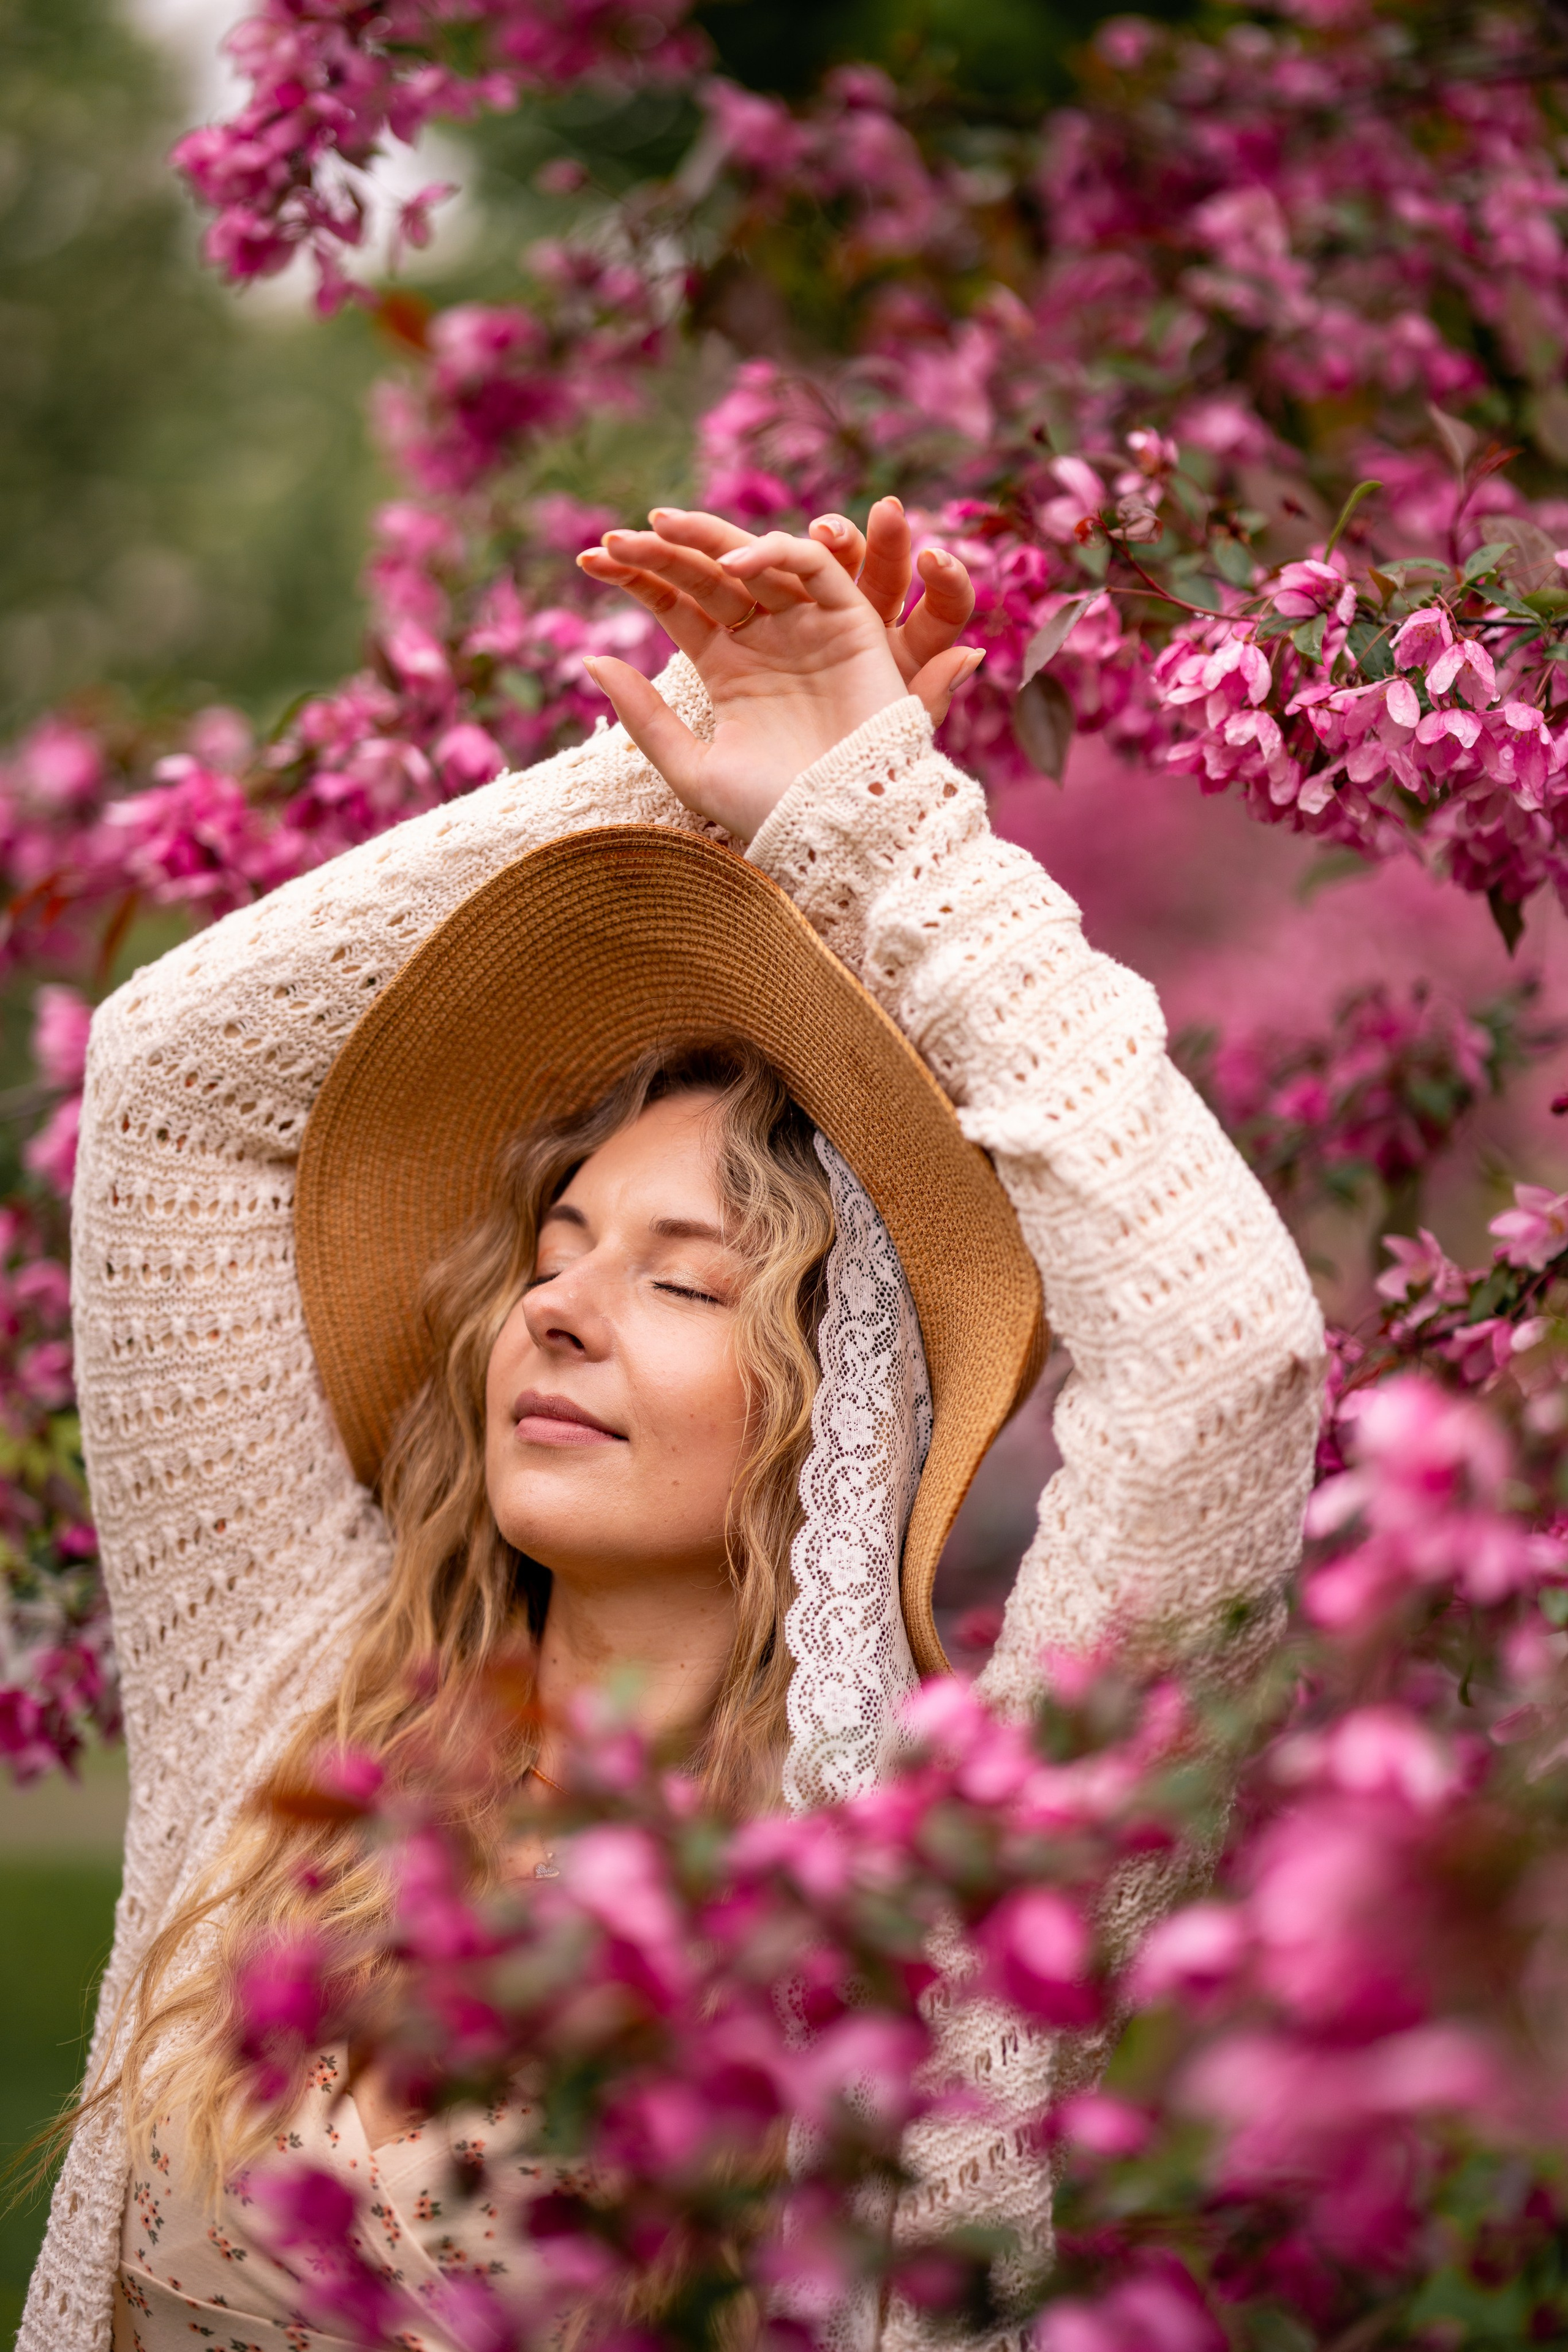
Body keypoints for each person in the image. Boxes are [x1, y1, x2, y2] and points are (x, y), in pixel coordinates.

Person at [21, 503, 1325, 2352]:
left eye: (685, 1279)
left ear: (837, 1409)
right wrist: (696, 775)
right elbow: (176, 1081)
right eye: (555, 1254)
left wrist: (886, 832)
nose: (556, 1305)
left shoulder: (940, 1903)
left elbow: (1228, 1364)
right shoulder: (292, 1684)